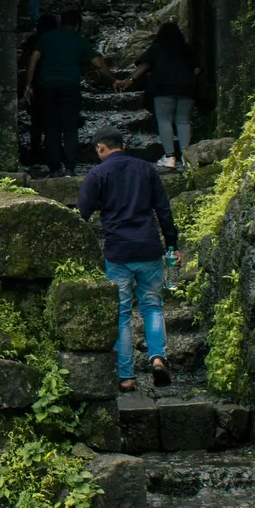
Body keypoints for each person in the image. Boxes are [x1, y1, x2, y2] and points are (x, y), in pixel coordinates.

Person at [75, 128, 179, 391]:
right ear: (124, 145)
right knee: (152, 306)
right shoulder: (146, 170)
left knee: (121, 314)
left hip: (118, 252)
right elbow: (163, 209)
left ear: (101, 148)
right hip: (149, 248)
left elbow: (81, 215)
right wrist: (172, 244)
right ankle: (157, 359)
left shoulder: (97, 174)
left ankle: (126, 377)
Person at [120, 22, 198, 169]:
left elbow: (144, 66)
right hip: (186, 90)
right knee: (183, 122)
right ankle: (187, 157)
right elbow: (197, 69)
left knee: (164, 121)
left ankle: (170, 157)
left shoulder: (157, 48)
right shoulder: (185, 49)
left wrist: (129, 80)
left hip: (163, 90)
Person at [24, 11, 92, 173]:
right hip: (70, 87)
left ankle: (54, 168)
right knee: (70, 128)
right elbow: (97, 62)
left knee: (51, 128)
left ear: (62, 23)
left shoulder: (46, 38)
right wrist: (115, 80)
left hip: (47, 86)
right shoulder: (79, 40)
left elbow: (33, 58)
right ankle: (70, 168)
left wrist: (28, 85)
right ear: (77, 26)